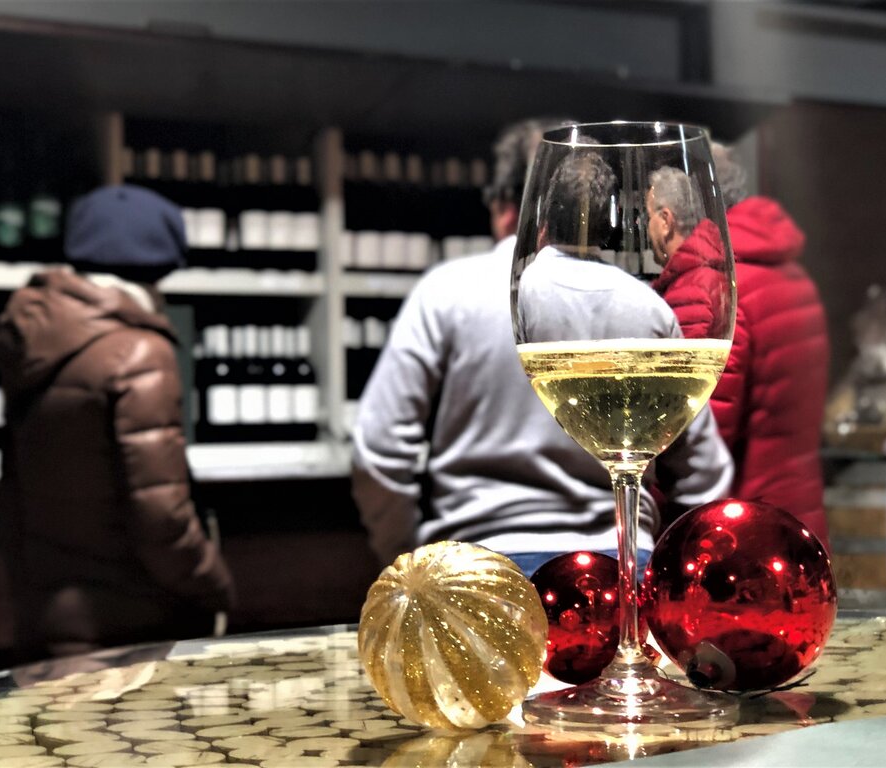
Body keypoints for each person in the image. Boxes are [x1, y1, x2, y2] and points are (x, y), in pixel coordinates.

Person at [352, 119, 733, 576]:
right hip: (619, 569)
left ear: (508, 206)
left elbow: (378, 450)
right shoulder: (651, 310)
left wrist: (411, 557)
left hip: (475, 571)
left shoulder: (445, 292)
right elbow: (704, 476)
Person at [0, 184, 236, 659]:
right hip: (133, 626)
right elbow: (162, 518)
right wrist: (215, 586)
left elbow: (11, 494)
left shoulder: (35, 339)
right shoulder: (139, 352)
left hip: (50, 613)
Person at [647, 143, 830, 546]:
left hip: (738, 538)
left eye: (648, 215)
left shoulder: (705, 287)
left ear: (667, 219)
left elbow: (694, 443)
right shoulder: (788, 272)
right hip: (796, 520)